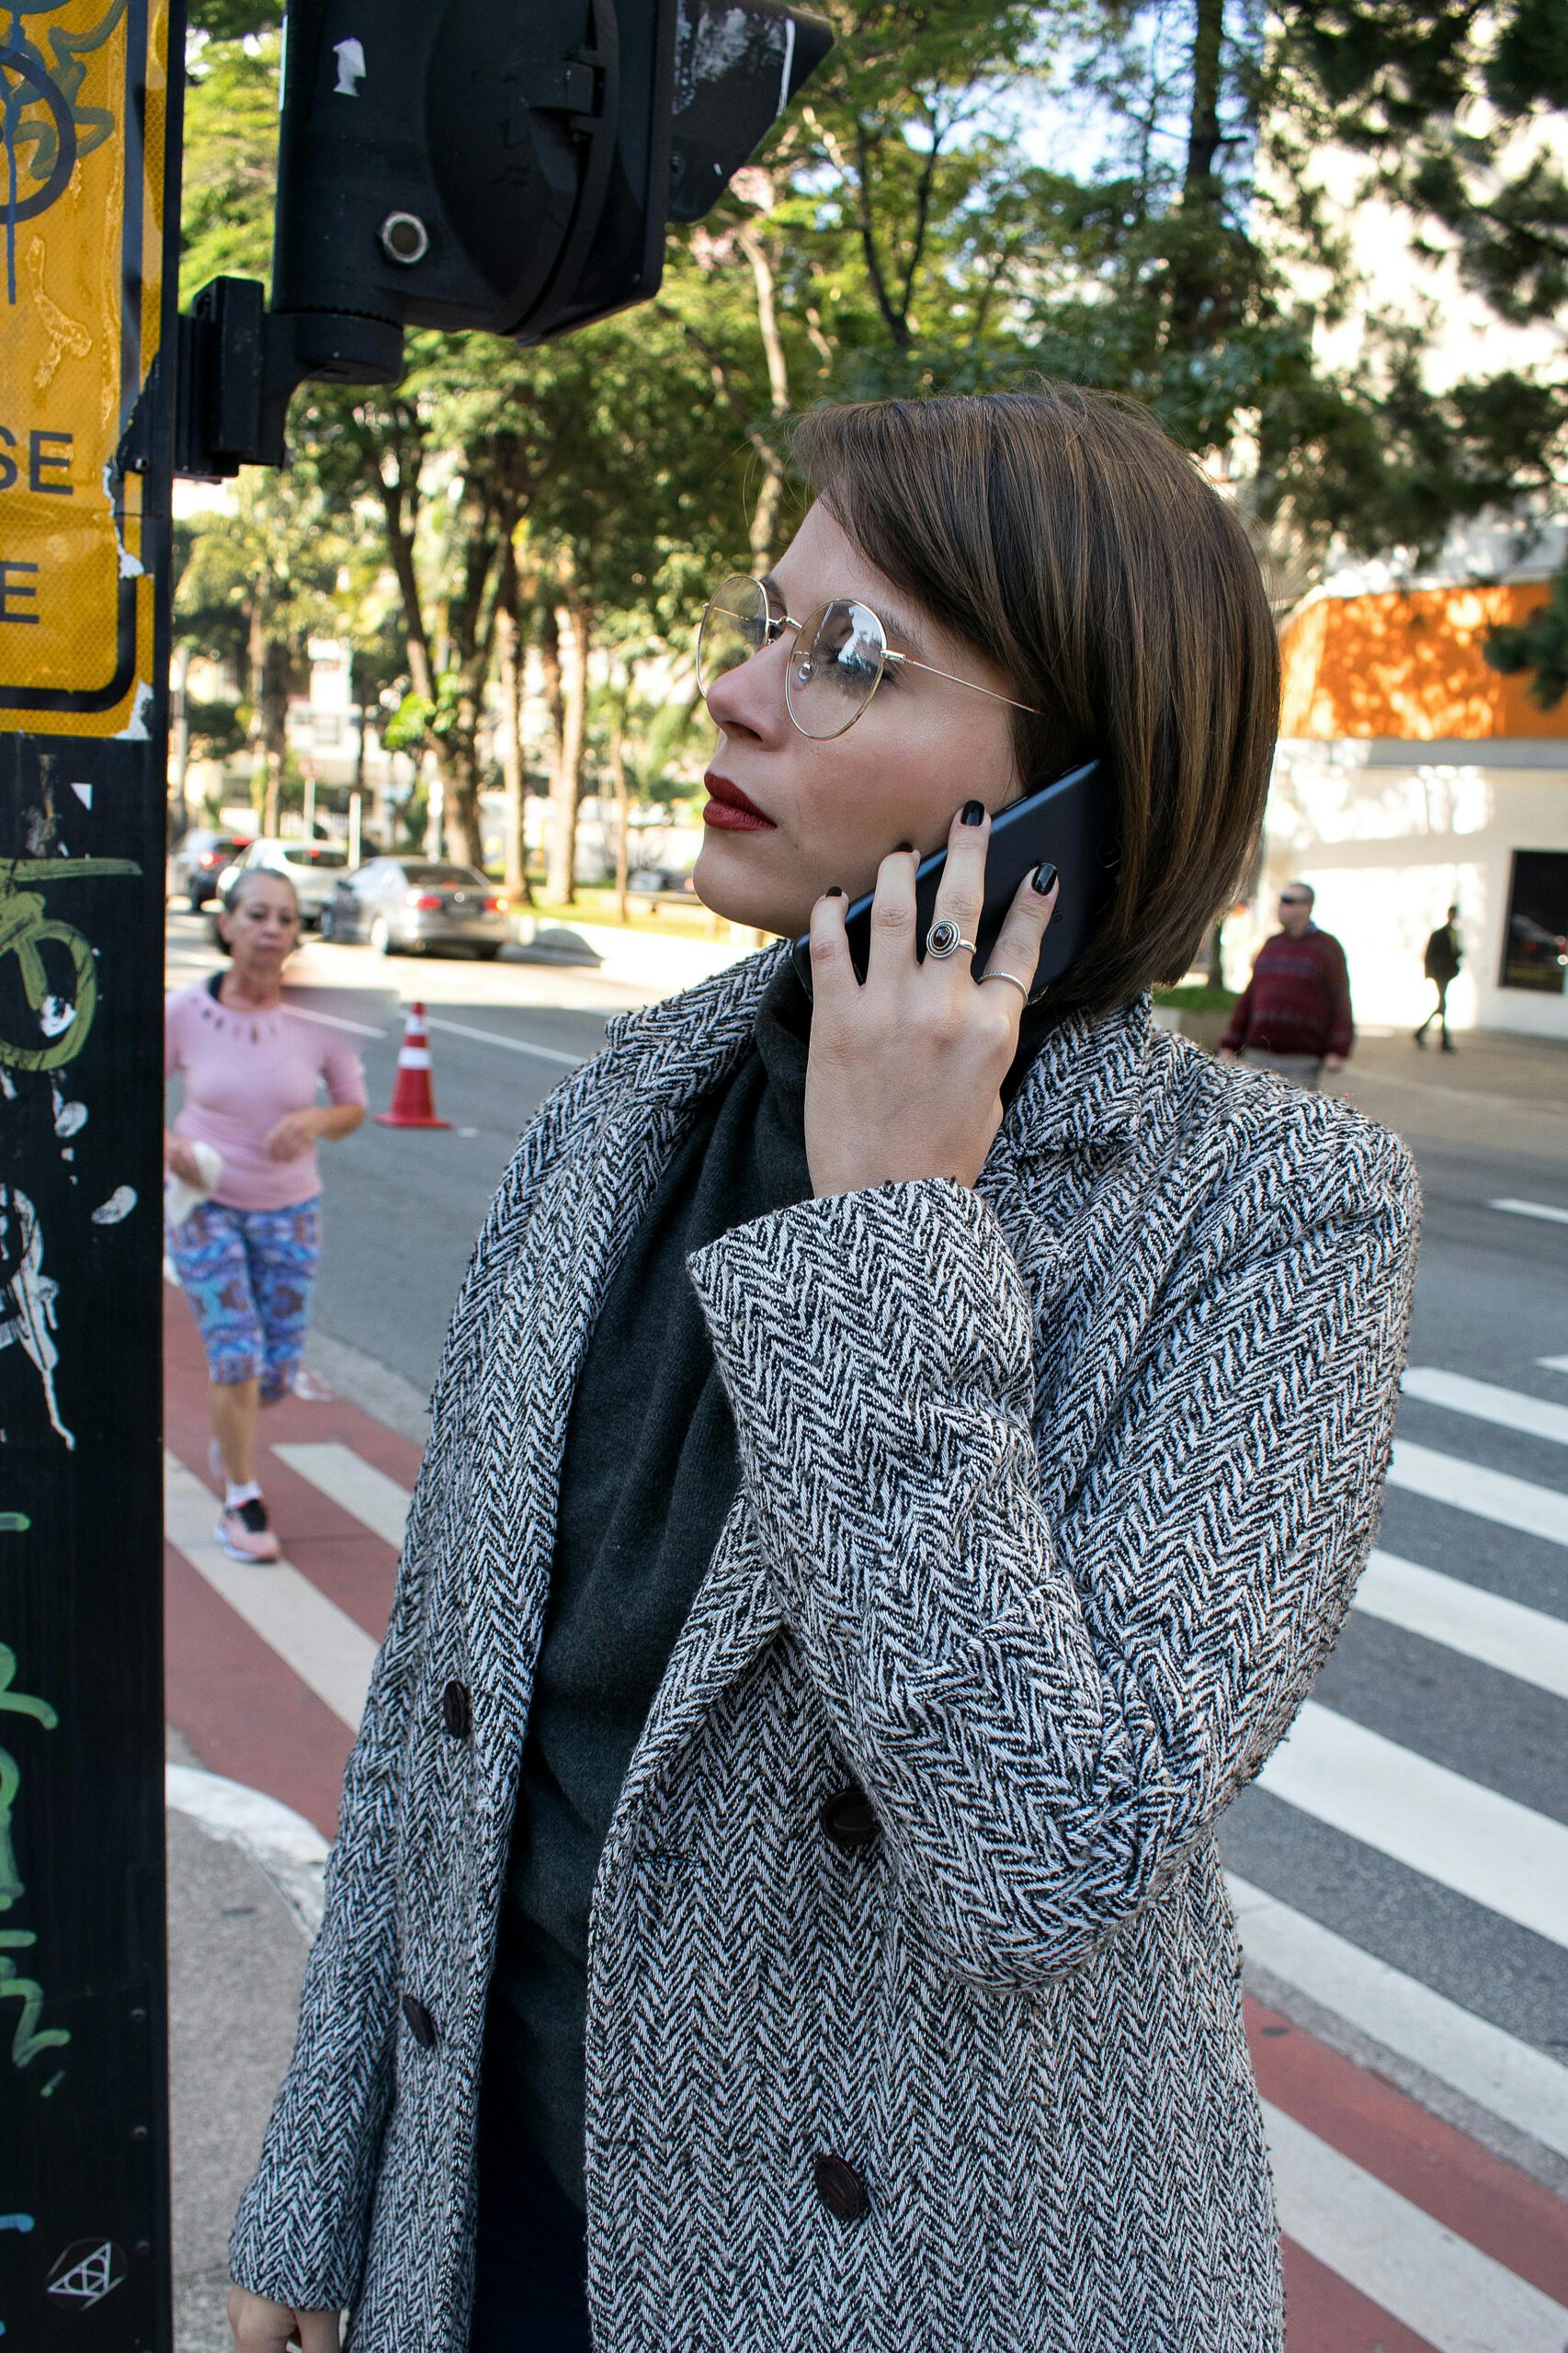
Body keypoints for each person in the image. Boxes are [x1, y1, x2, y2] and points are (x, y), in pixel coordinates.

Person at [226, 389, 1418, 2353]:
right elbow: (444, 1706)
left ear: (1079, 789)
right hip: (509, 2208)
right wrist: (319, 2177)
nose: (736, 692)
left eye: (850, 655)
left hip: (913, 2283)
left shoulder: (1274, 1213)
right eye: (768, 620)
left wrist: (888, 1246)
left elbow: (1046, 1850)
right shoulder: (628, 1103)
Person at [165, 867, 367, 1563]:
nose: (272, 929)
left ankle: (235, 1440)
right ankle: (242, 1500)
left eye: (285, 917)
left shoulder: (316, 1018)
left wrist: (313, 1118)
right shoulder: (185, 1011)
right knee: (237, 1354)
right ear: (226, 925)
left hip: (290, 1212)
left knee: (273, 1374)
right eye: (257, 914)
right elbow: (132, 1098)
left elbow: (351, 1108)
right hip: (204, 1207)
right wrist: (171, 1145)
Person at [1218, 879, 1354, 1087]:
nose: (1281, 906)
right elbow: (1250, 997)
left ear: (1306, 907)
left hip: (1301, 1059)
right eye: (1281, 900)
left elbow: (1341, 999)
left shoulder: (1327, 948)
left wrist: (1338, 1049)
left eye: (1288, 900)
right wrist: (1230, 1044)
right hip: (1257, 1054)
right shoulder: (1271, 945)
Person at [1416, 904, 1462, 1051]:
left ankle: (1422, 1032)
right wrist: (1429, 973)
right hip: (1440, 974)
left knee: (1442, 1005)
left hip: (1447, 974)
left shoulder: (1454, 934)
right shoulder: (1439, 934)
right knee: (1443, 1005)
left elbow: (1454, 953)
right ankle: (1443, 1040)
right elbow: (1430, 955)